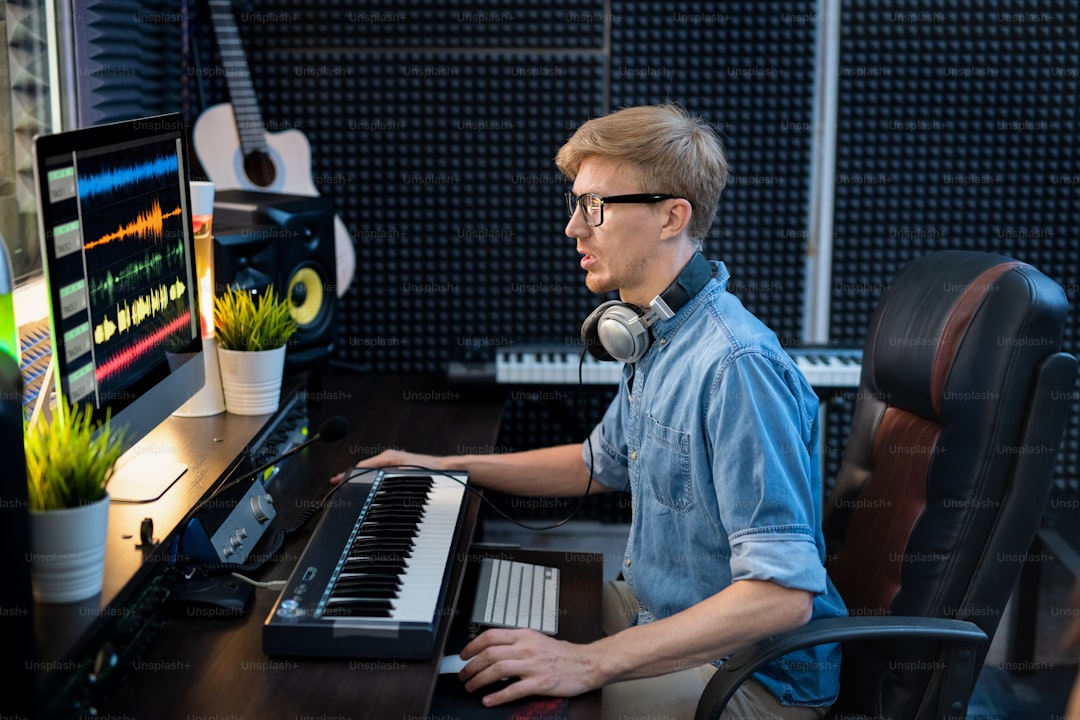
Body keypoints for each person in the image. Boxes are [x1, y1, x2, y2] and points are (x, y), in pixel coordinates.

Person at [337, 104, 847, 719]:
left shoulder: (734, 365)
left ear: (671, 217)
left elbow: (781, 597)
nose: (573, 228)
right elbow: (593, 464)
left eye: (595, 206)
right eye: (577, 203)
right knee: (470, 629)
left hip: (751, 680)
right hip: (657, 614)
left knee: (500, 704)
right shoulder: (656, 337)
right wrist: (443, 467)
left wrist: (590, 661)